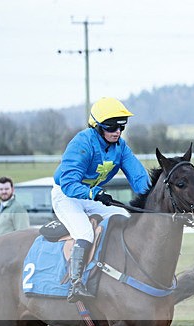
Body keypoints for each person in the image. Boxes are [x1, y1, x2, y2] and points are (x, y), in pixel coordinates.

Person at [52, 96, 151, 302]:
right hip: (66, 194)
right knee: (85, 233)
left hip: (89, 194)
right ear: (97, 126)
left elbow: (139, 177)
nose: (117, 132)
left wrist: (150, 199)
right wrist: (93, 194)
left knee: (123, 215)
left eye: (121, 127)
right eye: (111, 127)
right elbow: (69, 183)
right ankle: (75, 284)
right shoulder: (82, 143)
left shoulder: (120, 147)